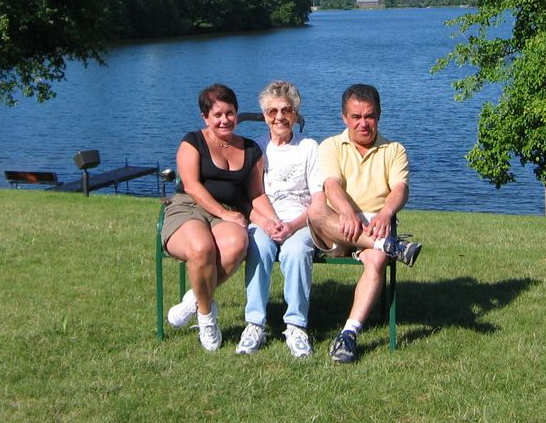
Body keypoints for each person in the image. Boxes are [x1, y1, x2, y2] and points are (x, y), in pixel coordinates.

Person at [308, 83, 422, 363]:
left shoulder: (393, 150)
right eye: (356, 117)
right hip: (336, 226)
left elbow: (400, 189)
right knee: (316, 211)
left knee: (376, 261)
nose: (363, 124)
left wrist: (384, 214)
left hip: (374, 226)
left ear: (379, 115)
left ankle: (348, 334)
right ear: (344, 117)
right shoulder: (331, 146)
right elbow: (331, 184)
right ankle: (391, 246)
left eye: (369, 116)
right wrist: (346, 211)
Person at [161, 83, 265, 351]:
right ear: (205, 118)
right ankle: (207, 319)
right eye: (217, 115)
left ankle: (194, 300)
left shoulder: (251, 149)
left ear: (237, 113)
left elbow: (256, 194)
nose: (224, 120)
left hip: (226, 212)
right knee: (201, 247)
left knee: (237, 243)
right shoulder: (192, 141)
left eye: (229, 113)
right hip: (188, 207)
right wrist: (223, 213)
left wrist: (270, 220)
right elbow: (192, 185)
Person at [237, 80, 323, 358]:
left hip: (301, 221)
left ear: (295, 115)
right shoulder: (255, 149)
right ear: (264, 116)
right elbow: (250, 196)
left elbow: (318, 200)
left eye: (286, 110)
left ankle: (296, 325)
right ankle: (254, 324)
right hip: (264, 221)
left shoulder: (309, 147)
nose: (279, 117)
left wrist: (294, 225)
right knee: (258, 246)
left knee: (297, 251)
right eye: (272, 111)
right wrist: (267, 223)